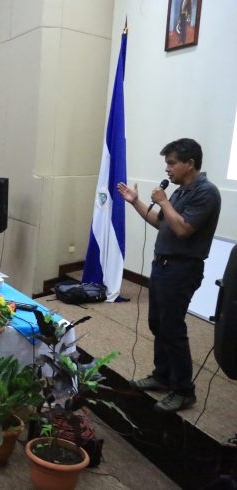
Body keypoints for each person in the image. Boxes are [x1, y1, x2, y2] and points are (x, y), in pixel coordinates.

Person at [119, 138, 221, 413]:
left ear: (190, 164)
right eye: (167, 163)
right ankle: (163, 376)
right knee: (157, 324)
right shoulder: (179, 191)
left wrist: (164, 201)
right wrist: (135, 202)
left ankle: (184, 391)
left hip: (182, 270)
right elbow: (160, 222)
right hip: (162, 266)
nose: (167, 169)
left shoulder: (206, 193)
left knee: (173, 329)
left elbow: (184, 229)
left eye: (172, 163)